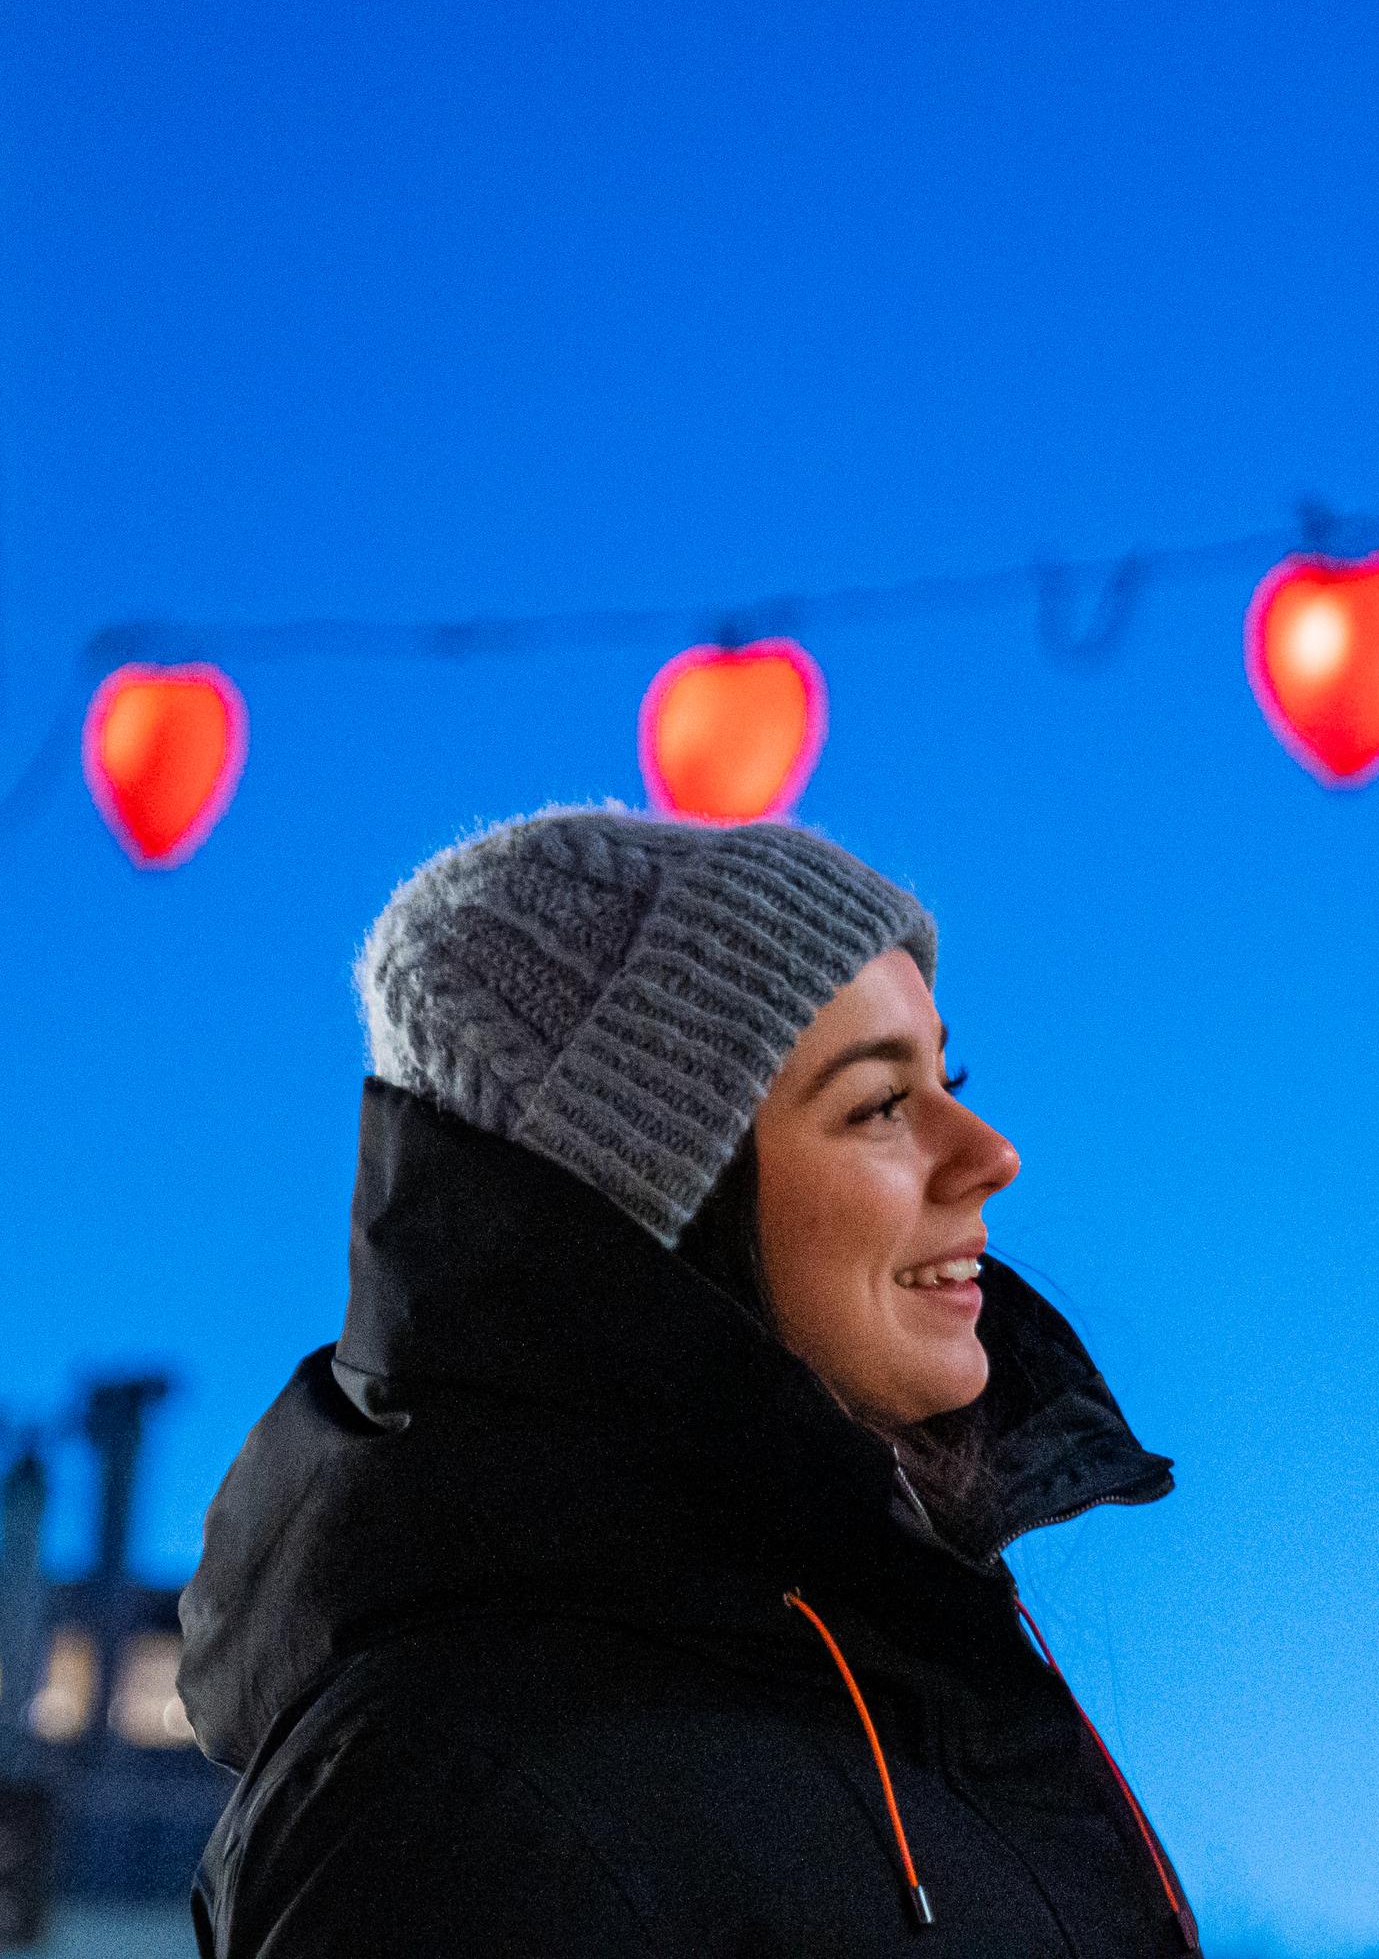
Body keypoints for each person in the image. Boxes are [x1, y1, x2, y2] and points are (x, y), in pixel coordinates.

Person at [181, 807, 1200, 1956]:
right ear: (655, 1209)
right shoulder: (461, 1802)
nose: (990, 1153)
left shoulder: (896, 1685)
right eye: (878, 1105)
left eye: (947, 1075)